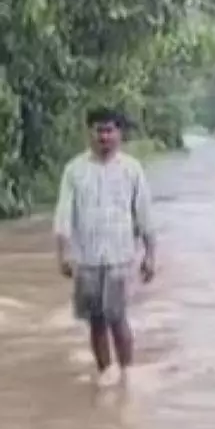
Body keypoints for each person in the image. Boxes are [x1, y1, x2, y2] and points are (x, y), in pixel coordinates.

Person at [53, 108, 156, 386]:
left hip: (121, 256)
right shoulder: (74, 170)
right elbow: (64, 214)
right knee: (95, 320)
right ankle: (105, 372)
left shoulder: (132, 169)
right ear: (89, 133)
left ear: (119, 134)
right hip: (86, 258)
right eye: (99, 130)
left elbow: (144, 214)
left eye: (110, 130)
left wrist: (150, 256)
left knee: (118, 317)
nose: (104, 136)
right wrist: (62, 253)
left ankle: (127, 374)